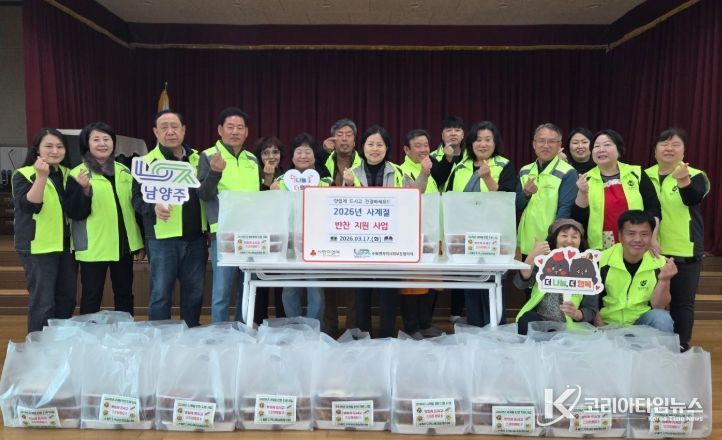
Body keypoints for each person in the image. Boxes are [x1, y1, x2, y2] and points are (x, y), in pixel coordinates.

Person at [132, 110, 207, 327]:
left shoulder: (198, 159)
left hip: (195, 237)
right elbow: (136, 199)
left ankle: (190, 331)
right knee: (161, 292)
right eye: (164, 127)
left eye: (175, 126)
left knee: (194, 291)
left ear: (184, 130)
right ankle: (159, 335)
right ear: (156, 132)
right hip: (161, 238)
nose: (170, 132)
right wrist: (152, 207)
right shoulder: (146, 163)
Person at [65, 122, 144, 316]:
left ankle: (125, 329)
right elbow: (75, 213)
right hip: (94, 246)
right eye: (96, 139)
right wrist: (84, 190)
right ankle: (89, 332)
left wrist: (141, 242)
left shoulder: (125, 171)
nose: (102, 144)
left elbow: (135, 210)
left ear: (113, 143)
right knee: (92, 295)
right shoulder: (77, 174)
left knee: (124, 293)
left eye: (106, 139)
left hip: (123, 245)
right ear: (87, 143)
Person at [342, 126, 413, 338]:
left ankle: (386, 339)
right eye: (370, 144)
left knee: (388, 294)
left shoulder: (400, 172)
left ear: (387, 148)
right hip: (359, 242)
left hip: (391, 242)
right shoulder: (351, 173)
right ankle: (363, 339)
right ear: (362, 147)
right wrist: (347, 186)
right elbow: (342, 209)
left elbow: (411, 204)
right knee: (361, 294)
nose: (375, 149)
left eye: (379, 144)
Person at [446, 121, 517, 327]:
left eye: (488, 140)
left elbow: (507, 201)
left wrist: (488, 179)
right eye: (478, 140)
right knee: (472, 287)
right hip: (465, 237)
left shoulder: (504, 165)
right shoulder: (460, 167)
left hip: (495, 238)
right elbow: (449, 201)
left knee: (494, 285)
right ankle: (476, 331)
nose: (483, 144)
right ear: (470, 143)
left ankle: (496, 333)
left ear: (496, 143)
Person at [645, 128, 710, 351]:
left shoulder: (696, 175)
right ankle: (652, 345)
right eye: (664, 144)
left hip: (685, 249)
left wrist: (683, 180)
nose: (669, 148)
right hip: (648, 250)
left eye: (675, 144)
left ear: (684, 151)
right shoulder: (643, 175)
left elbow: (692, 198)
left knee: (682, 303)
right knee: (649, 303)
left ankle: (681, 345)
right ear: (655, 150)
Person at [197, 107, 263, 324]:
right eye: (230, 127)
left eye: (240, 127)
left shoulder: (252, 159)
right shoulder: (208, 155)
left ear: (246, 132)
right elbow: (203, 194)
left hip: (251, 233)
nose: (235, 132)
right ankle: (220, 333)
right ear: (220, 130)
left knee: (247, 287)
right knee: (222, 290)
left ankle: (243, 330)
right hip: (223, 232)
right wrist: (215, 173)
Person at [12, 128, 76, 333]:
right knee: (43, 302)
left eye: (59, 146)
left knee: (67, 298)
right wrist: (41, 177)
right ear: (37, 149)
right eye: (49, 146)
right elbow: (30, 206)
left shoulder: (69, 173)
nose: (55, 151)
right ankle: (38, 346)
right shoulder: (24, 174)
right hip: (38, 247)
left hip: (66, 246)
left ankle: (59, 342)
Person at [271, 133, 331, 324]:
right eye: (299, 151)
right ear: (292, 156)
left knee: (316, 290)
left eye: (308, 151)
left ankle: (314, 329)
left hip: (316, 243)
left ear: (314, 156)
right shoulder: (280, 182)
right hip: (289, 243)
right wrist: (273, 193)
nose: (303, 155)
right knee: (290, 289)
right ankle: (294, 328)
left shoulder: (325, 182)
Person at [572, 129, 661, 251]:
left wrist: (652, 238)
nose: (601, 149)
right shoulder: (586, 178)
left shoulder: (636, 173)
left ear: (619, 149)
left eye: (607, 145)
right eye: (596, 146)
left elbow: (653, 209)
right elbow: (578, 218)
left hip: (637, 242)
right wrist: (582, 193)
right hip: (600, 247)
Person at [595, 210, 677, 332]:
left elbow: (659, 306)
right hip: (606, 323)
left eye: (644, 234)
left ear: (651, 237)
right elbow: (590, 303)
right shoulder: (600, 261)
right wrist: (601, 330)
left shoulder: (661, 264)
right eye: (631, 233)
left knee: (662, 318)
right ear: (620, 236)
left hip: (641, 323)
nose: (638, 239)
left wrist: (664, 280)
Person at [515, 219, 598, 335]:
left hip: (570, 328)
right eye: (564, 235)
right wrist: (533, 255)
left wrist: (577, 314)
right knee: (527, 319)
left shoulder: (587, 266)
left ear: (580, 241)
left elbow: (591, 308)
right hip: (541, 321)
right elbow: (520, 283)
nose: (569, 241)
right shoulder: (543, 261)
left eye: (574, 236)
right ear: (555, 238)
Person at [516, 123, 578, 258]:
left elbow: (565, 210)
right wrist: (526, 194)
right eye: (541, 141)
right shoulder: (525, 170)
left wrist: (552, 240)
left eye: (551, 141)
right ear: (534, 144)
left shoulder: (568, 172)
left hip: (549, 244)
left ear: (559, 145)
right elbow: (516, 206)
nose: (545, 145)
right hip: (525, 242)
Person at [251, 135, 287, 321]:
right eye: (266, 153)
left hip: (283, 235)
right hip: (260, 235)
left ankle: (282, 322)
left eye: (275, 152)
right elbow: (258, 204)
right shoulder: (252, 173)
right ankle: (259, 322)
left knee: (282, 283)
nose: (271, 156)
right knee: (261, 282)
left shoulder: (287, 175)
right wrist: (267, 181)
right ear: (259, 156)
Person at [323, 118, 363, 187]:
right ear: (332, 141)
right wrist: (324, 150)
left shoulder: (363, 162)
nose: (344, 139)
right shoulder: (324, 160)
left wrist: (352, 184)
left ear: (354, 142)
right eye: (339, 135)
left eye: (348, 135)